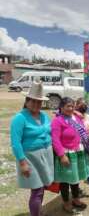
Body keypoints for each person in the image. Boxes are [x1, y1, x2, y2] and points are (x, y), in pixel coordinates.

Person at [10, 81, 54, 216]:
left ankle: (37, 211)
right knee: (37, 189)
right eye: (33, 101)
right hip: (30, 158)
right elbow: (15, 142)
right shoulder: (20, 118)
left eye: (39, 102)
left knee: (42, 187)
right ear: (27, 101)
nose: (36, 104)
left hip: (45, 156)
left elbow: (49, 133)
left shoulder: (44, 116)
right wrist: (22, 163)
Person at [52, 97, 89, 213]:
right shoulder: (58, 121)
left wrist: (88, 136)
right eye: (68, 106)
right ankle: (66, 202)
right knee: (65, 180)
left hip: (78, 151)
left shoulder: (76, 118)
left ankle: (75, 199)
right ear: (61, 107)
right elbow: (55, 140)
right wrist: (61, 155)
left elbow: (83, 130)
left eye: (72, 106)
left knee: (76, 178)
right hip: (66, 153)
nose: (70, 108)